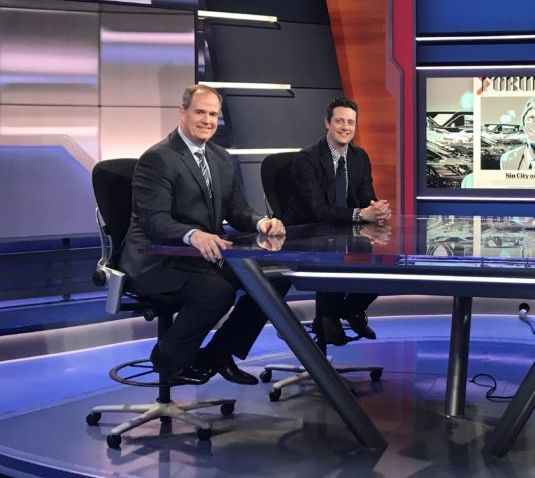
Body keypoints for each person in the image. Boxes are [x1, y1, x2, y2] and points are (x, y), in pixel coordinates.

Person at [119, 84, 290, 386]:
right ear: (182, 113)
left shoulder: (221, 157)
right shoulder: (158, 158)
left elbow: (237, 210)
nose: (207, 120)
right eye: (200, 112)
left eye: (213, 114)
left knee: (274, 278)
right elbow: (154, 221)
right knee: (217, 292)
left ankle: (219, 354)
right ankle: (169, 357)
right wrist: (193, 235)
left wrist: (261, 222)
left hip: (204, 255)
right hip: (157, 258)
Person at [283, 97, 391, 346]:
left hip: (344, 231)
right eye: (339, 121)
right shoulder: (307, 160)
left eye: (350, 122)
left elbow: (366, 197)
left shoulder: (359, 157)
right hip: (307, 234)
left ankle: (350, 310)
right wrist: (360, 215)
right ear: (327, 123)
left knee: (387, 261)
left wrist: (376, 209)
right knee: (331, 255)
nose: (345, 127)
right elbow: (318, 210)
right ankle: (328, 319)